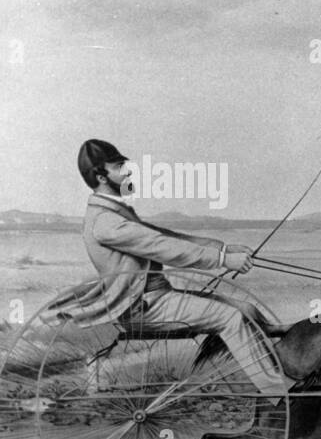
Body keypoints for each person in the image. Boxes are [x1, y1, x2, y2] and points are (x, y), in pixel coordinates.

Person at [46, 139, 286, 404]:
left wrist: (223, 249)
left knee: (246, 309)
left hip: (159, 298)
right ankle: (281, 398)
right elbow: (164, 247)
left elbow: (165, 235)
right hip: (142, 307)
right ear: (101, 176)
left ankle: (285, 368)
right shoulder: (106, 222)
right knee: (231, 318)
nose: (128, 171)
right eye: (118, 166)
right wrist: (222, 260)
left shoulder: (115, 213)